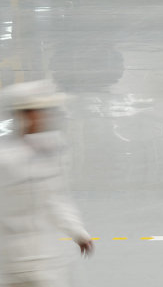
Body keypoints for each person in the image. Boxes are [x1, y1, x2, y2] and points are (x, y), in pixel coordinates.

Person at [0, 80, 93, 287]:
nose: (45, 116)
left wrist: (77, 232)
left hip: (47, 260)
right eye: (38, 111)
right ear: (23, 115)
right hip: (10, 259)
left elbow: (55, 198)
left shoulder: (51, 149)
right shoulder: (4, 158)